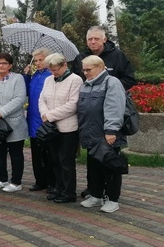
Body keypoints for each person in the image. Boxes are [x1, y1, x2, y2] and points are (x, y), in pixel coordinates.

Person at [77, 55, 127, 213]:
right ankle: (96, 195)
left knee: (110, 168)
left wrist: (111, 130)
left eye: (88, 69)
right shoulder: (86, 85)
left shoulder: (112, 83)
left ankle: (113, 200)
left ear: (100, 67)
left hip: (107, 135)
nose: (85, 72)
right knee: (94, 167)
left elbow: (115, 107)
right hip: (91, 135)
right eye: (83, 69)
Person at [39, 53, 83, 203]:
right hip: (51, 128)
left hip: (68, 128)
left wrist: (50, 115)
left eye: (56, 69)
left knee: (66, 161)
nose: (53, 73)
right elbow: (42, 99)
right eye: (51, 70)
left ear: (65, 65)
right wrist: (44, 114)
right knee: (55, 160)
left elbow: (72, 105)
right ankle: (59, 188)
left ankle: (69, 192)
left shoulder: (75, 80)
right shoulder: (48, 79)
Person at [0, 53, 28, 192]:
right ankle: (2, 179)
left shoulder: (17, 78)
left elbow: (19, 99)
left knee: (15, 153)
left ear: (10, 65)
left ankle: (16, 182)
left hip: (14, 123)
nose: (1, 66)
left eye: (4, 63)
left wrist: (1, 112)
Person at [24, 48, 54, 192]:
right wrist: (26, 76)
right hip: (32, 117)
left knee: (48, 153)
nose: (38, 63)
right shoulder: (35, 75)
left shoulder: (51, 76)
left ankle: (51, 181)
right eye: (36, 60)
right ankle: (39, 180)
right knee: (36, 153)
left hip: (44, 118)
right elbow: (26, 92)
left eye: (41, 60)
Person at [71, 26, 136, 91]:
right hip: (87, 97)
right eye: (90, 39)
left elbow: (129, 79)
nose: (93, 42)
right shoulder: (80, 58)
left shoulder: (117, 56)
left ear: (104, 39)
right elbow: (74, 80)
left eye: (96, 39)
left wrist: (110, 88)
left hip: (111, 96)